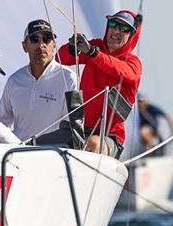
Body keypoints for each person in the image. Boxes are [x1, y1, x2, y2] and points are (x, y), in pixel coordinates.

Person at [57, 10, 143, 158]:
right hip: (79, 129)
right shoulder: (96, 46)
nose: (116, 30)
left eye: (124, 29)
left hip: (109, 137)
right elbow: (61, 58)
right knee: (39, 143)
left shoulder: (133, 63)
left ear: (132, 36)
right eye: (113, 24)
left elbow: (123, 71)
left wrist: (93, 54)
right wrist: (72, 48)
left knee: (93, 144)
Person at [0, 19, 78, 142]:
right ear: (25, 46)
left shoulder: (69, 78)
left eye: (47, 39)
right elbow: (0, 121)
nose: (41, 45)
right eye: (35, 39)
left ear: (54, 45)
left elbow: (74, 126)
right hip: (15, 154)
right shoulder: (14, 80)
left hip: (52, 155)